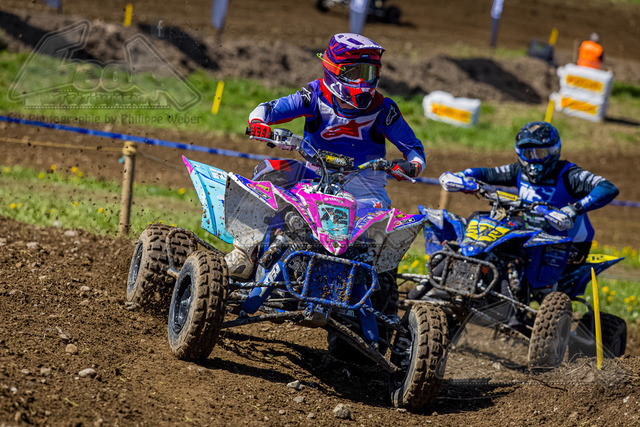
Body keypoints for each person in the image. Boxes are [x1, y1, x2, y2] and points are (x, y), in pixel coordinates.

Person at [226, 32, 427, 280]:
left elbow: (415, 150)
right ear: (334, 70)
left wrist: (411, 166)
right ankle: (243, 252)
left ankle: (373, 282)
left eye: (369, 73)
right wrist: (259, 124)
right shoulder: (314, 95)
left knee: (381, 234)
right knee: (268, 171)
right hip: (314, 175)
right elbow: (266, 109)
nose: (363, 82)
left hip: (364, 186)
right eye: (354, 73)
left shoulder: (384, 109)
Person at [454, 121, 618, 270]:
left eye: (540, 153)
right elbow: (487, 173)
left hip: (568, 245)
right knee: (483, 223)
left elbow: (607, 188)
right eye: (528, 154)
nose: (534, 160)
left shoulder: (569, 175)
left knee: (519, 265)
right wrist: (462, 176)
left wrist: (574, 209)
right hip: (531, 236)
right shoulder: (519, 171)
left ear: (554, 151)